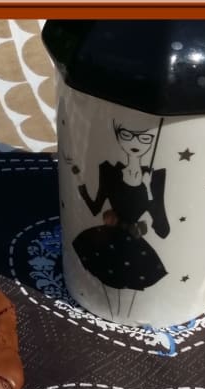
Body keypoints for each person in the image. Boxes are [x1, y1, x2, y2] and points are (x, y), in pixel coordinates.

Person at [72, 121, 170, 320]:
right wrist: (79, 181)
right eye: (127, 135)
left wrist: (149, 188)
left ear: (152, 142)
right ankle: (110, 315)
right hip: (108, 237)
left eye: (145, 138)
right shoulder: (110, 171)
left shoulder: (154, 177)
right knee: (106, 283)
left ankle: (126, 317)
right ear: (117, 137)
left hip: (133, 239)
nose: (135, 142)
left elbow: (161, 226)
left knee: (134, 281)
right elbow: (95, 207)